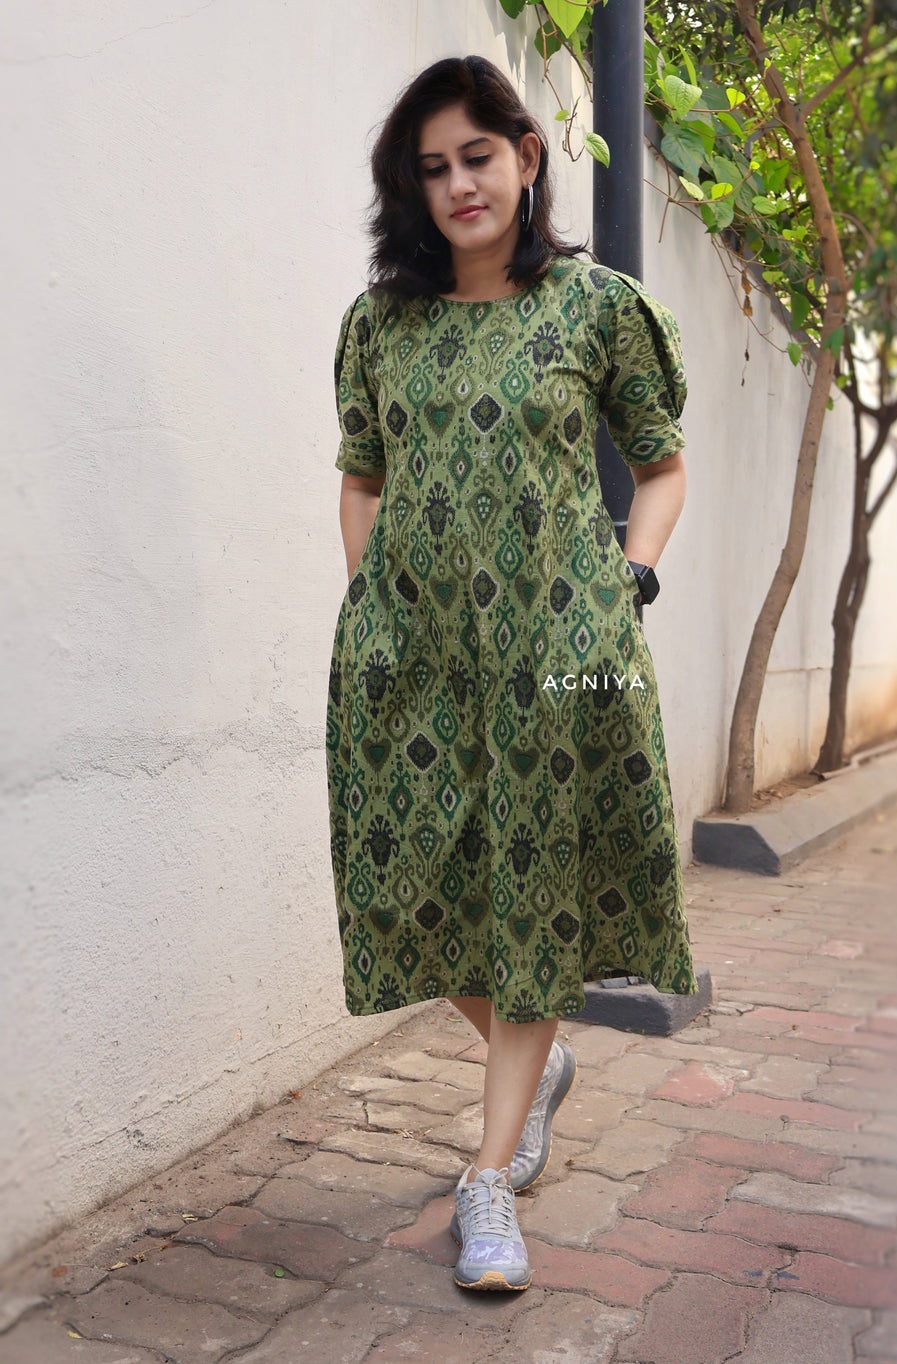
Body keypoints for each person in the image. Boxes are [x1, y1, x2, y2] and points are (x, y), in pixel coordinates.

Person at [326, 54, 697, 1292]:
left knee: (530, 898)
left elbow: (659, 464)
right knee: (414, 889)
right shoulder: (383, 324)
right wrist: (370, 612)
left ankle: (487, 1178)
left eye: (476, 157)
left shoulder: (592, 310)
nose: (457, 186)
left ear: (527, 158)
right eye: (431, 169)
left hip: (555, 659)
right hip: (415, 660)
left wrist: (628, 581)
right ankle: (534, 1061)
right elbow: (363, 477)